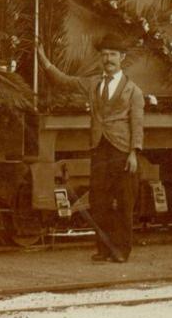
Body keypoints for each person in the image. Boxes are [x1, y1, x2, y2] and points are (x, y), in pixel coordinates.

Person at [36, 34, 144, 262]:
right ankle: (104, 250)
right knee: (99, 201)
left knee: (123, 204)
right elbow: (65, 81)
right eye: (104, 55)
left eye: (113, 55)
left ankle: (122, 251)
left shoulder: (133, 90)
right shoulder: (94, 83)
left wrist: (134, 153)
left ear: (122, 58)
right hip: (99, 149)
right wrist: (44, 61)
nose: (108, 59)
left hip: (122, 151)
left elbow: (137, 124)